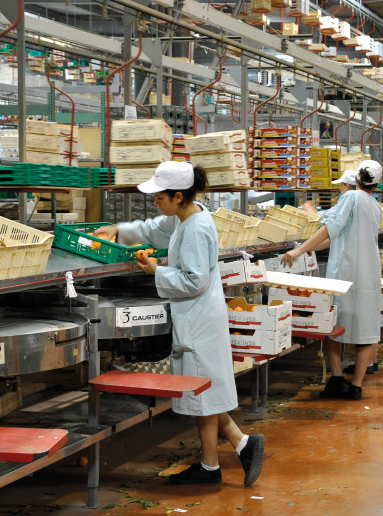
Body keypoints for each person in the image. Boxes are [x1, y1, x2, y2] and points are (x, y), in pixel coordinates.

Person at [94, 162, 265, 487]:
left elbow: (195, 280)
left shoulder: (196, 229)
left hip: (199, 319)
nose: (155, 202)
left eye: (160, 197)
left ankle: (223, 456)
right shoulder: (186, 216)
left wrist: (157, 271)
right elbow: (154, 228)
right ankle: (232, 450)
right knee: (204, 390)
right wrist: (119, 228)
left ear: (177, 196)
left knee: (202, 390)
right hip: (198, 316)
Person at [281, 160, 383, 400]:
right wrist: (309, 248)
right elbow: (339, 236)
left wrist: (299, 250)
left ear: (356, 179)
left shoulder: (351, 197)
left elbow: (330, 228)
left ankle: (337, 379)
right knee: (366, 331)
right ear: (376, 184)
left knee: (332, 326)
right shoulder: (375, 206)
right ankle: (356, 386)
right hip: (368, 274)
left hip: (345, 273)